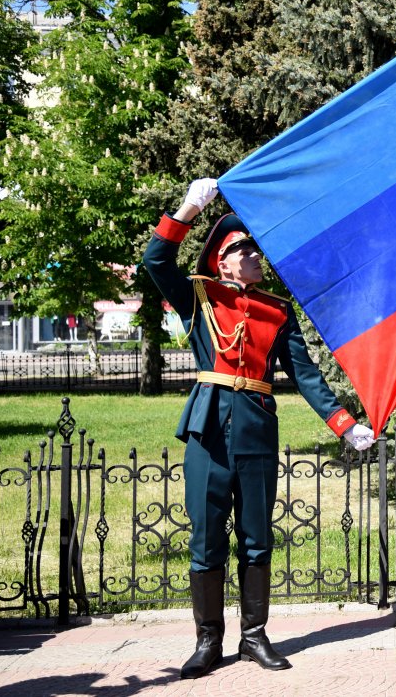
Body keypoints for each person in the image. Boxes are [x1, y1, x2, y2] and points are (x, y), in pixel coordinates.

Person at [143, 179, 376, 679]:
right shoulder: (199, 297)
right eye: (241, 249)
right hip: (207, 431)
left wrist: (343, 424)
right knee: (206, 539)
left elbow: (306, 375)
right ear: (222, 262)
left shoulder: (276, 311)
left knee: (256, 538)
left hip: (256, 433)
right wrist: (189, 207)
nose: (253, 255)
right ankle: (208, 641)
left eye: (254, 247)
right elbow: (156, 261)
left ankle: (253, 637)